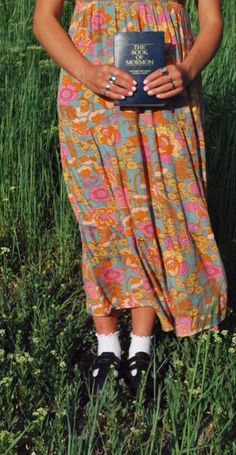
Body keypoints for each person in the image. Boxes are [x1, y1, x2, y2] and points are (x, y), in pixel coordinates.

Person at [33, 0, 227, 397]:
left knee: (159, 210)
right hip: (91, 94)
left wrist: (187, 70)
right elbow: (43, 20)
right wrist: (86, 72)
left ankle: (141, 344)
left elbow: (212, 21)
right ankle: (107, 345)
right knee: (101, 215)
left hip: (168, 93)